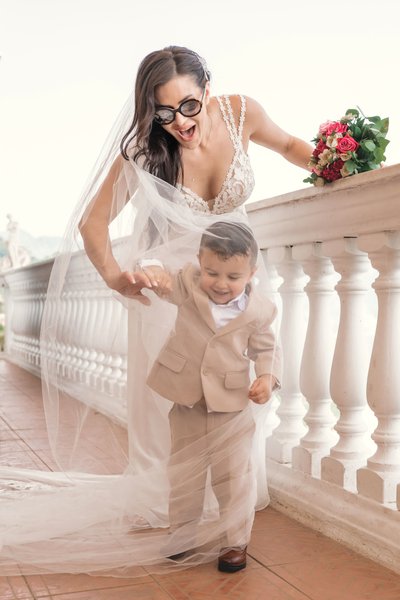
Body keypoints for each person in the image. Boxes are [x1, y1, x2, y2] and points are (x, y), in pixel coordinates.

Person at [0, 46, 311, 576]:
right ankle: (183, 520)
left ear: (207, 89)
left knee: (240, 399)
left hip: (237, 289)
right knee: (177, 412)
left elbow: (287, 145)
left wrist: (339, 161)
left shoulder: (242, 113)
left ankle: (229, 520)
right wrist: (118, 281)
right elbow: (91, 225)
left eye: (188, 107)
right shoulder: (145, 150)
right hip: (170, 297)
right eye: (163, 114)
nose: (179, 124)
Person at [130, 220, 281, 572]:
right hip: (186, 400)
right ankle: (182, 534)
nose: (221, 284)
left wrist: (267, 376)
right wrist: (152, 270)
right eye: (212, 272)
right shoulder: (187, 283)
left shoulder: (259, 310)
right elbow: (158, 272)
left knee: (233, 477)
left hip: (231, 405)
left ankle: (234, 542)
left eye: (233, 277)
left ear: (251, 273)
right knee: (183, 473)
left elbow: (267, 349)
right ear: (199, 261)